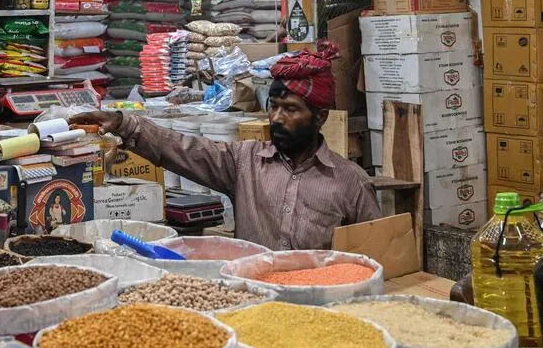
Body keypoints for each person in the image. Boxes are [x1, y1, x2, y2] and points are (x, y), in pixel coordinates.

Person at [71, 42, 381, 250]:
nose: (276, 117)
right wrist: (125, 123)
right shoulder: (245, 161)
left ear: (320, 116)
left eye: (290, 109)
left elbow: (375, 257)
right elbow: (181, 148)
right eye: (273, 106)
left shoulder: (350, 182)